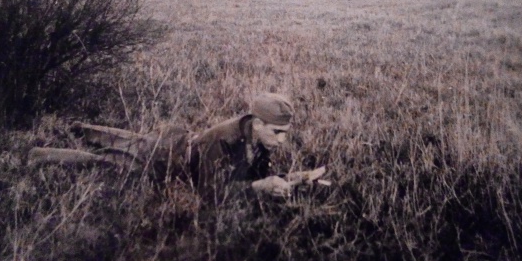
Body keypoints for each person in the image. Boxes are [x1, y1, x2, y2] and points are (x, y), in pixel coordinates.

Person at [28, 93, 323, 203]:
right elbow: (209, 194)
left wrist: (297, 177)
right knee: (104, 161)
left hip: (179, 144)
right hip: (165, 160)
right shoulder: (224, 140)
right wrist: (260, 187)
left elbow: (256, 174)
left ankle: (79, 128)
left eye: (286, 133)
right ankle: (40, 155)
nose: (282, 140)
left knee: (129, 140)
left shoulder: (258, 136)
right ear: (258, 123)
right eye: (278, 132)